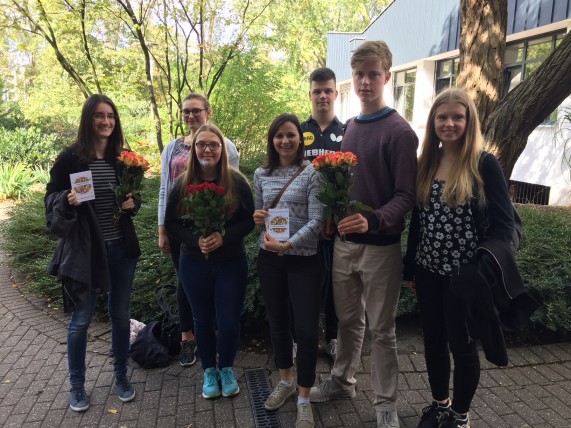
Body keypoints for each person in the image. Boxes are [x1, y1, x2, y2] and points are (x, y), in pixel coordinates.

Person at [309, 41, 418, 428]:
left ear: (387, 76)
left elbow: (407, 195)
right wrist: (333, 216)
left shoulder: (400, 132)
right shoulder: (351, 127)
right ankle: (342, 382)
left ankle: (385, 404)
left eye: (373, 74)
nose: (366, 81)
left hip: (381, 249)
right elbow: (348, 185)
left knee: (383, 331)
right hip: (343, 246)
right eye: (359, 75)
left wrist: (373, 221)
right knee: (347, 322)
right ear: (350, 80)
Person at [403, 87, 516, 428]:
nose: (449, 123)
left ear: (469, 121)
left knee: (462, 346)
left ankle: (459, 416)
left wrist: (482, 268)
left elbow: (504, 224)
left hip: (465, 278)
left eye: (457, 117)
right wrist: (409, 266)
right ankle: (440, 405)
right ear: (432, 121)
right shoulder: (426, 162)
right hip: (427, 271)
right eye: (442, 117)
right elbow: (419, 222)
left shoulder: (484, 163)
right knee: (434, 341)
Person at [45, 94, 140, 412]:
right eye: (99, 116)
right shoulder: (70, 158)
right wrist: (66, 199)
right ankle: (77, 386)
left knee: (120, 316)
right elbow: (50, 199)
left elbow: (133, 198)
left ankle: (121, 377)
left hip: (121, 249)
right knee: (81, 320)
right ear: (89, 119)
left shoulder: (123, 157)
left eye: (111, 116)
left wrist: (132, 204)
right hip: (87, 252)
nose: (106, 122)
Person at [164, 124, 254, 399]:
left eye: (213, 144)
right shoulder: (182, 184)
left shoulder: (236, 182)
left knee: (228, 321)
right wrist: (195, 240)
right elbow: (172, 224)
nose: (207, 149)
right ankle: (209, 371)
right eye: (202, 144)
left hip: (231, 263)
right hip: (193, 264)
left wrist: (222, 237)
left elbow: (250, 220)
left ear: (222, 149)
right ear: (194, 148)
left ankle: (226, 367)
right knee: (202, 321)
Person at [158, 93, 240, 367]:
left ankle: (216, 338)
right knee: (186, 283)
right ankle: (188, 338)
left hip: (218, 232)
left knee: (216, 285)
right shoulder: (172, 148)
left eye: (196, 111)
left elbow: (232, 193)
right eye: (186, 112)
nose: (190, 116)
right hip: (183, 230)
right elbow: (165, 190)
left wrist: (222, 232)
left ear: (208, 111)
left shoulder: (225, 145)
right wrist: (163, 228)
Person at [253, 113, 324, 428]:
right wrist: (259, 222)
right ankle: (285, 381)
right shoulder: (261, 173)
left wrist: (289, 244)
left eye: (290, 135)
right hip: (270, 259)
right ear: (272, 139)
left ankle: (304, 397)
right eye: (279, 135)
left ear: (301, 138)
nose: (284, 141)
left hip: (304, 260)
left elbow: (317, 220)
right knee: (279, 323)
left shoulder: (311, 173)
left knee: (307, 331)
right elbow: (260, 213)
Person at [301, 67, 343, 360]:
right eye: (317, 91)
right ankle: (305, 337)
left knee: (335, 284)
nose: (323, 96)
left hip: (337, 226)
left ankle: (334, 337)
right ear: (310, 95)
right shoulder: (297, 133)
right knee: (306, 284)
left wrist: (334, 216)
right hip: (304, 225)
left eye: (328, 90)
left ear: (336, 94)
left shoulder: (348, 132)